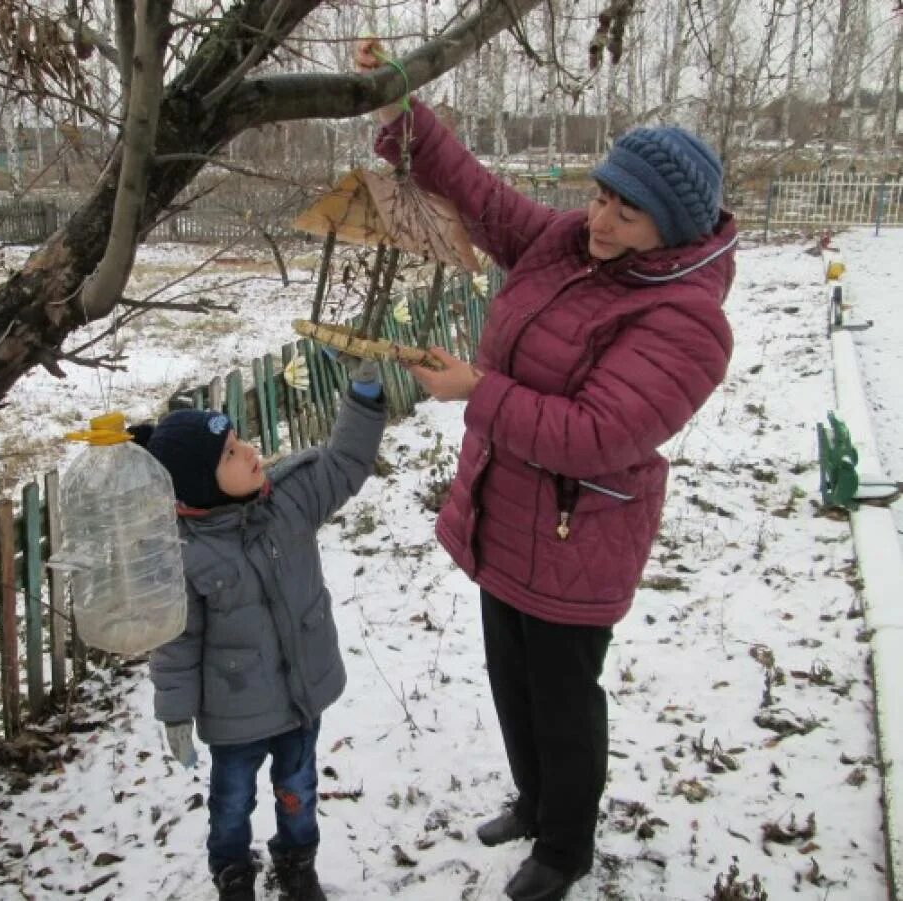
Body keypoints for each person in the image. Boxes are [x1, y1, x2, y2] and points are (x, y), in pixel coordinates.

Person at [355, 39, 737, 901]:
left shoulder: (686, 322)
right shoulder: (567, 246)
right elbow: (483, 199)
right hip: (507, 512)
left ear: (669, 231)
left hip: (577, 535)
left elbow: (597, 433)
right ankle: (533, 801)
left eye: (625, 214)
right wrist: (398, 110)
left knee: (565, 702)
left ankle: (565, 846)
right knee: (510, 679)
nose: (600, 219)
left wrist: (476, 389)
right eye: (600, 196)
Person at [140, 355, 387, 901]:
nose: (250, 451)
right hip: (235, 715)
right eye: (230, 453)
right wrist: (175, 711)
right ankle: (232, 872)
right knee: (231, 801)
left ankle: (297, 864)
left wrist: (364, 395)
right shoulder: (186, 556)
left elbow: (344, 461)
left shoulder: (288, 500)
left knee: (298, 789)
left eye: (240, 439)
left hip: (300, 697)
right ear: (200, 482)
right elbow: (175, 642)